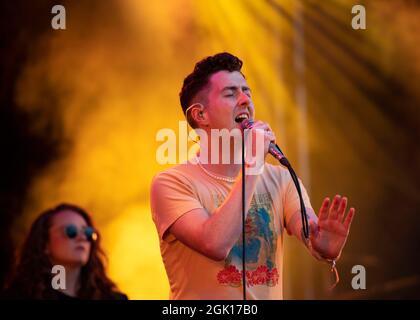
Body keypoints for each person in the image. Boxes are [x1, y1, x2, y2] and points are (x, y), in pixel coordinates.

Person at [151, 52, 356, 300]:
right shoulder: (171, 183)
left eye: (246, 91)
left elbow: (312, 235)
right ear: (200, 115)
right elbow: (214, 244)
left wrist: (325, 248)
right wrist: (253, 163)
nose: (244, 100)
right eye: (230, 93)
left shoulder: (280, 179)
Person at [3, 203, 127, 299]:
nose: (82, 237)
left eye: (88, 233)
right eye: (71, 231)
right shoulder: (17, 296)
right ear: (45, 244)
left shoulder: (113, 298)